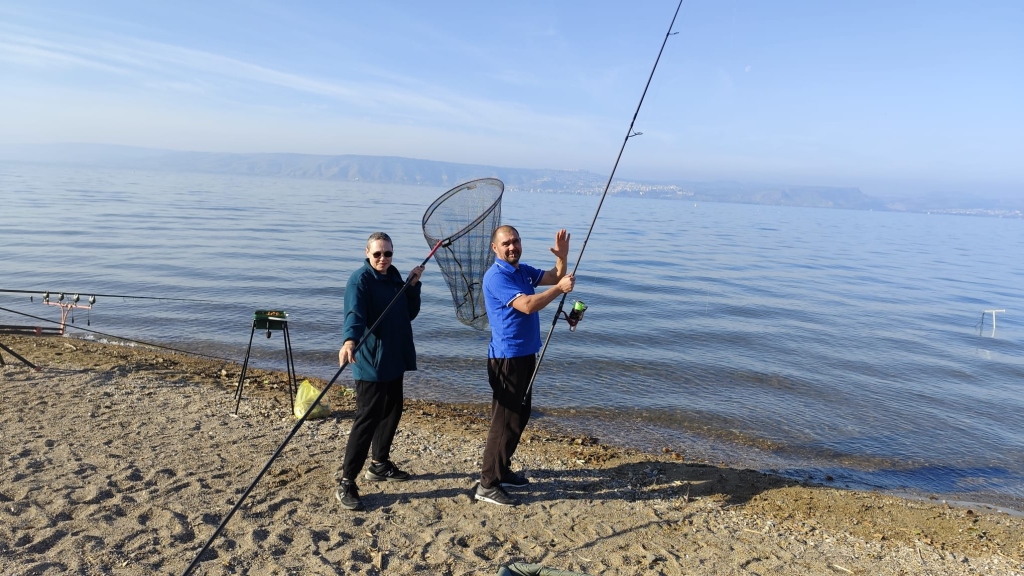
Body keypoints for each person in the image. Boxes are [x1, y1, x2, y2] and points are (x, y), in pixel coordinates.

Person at [475, 226, 575, 506]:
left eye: (515, 241)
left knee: (520, 415)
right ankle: (487, 484)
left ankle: (501, 470)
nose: (512, 247)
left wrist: (562, 257)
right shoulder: (496, 276)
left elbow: (555, 276)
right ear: (495, 248)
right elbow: (529, 305)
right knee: (504, 420)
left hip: (525, 354)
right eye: (506, 243)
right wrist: (559, 289)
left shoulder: (521, 270)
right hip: (507, 358)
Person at [335, 232, 425, 511]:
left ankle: (379, 464)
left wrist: (412, 287)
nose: (383, 259)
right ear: (367, 253)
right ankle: (347, 481)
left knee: (393, 410)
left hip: (393, 358)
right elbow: (355, 315)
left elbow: (408, 313)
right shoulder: (360, 280)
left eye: (388, 254)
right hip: (370, 361)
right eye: (377, 254)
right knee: (368, 418)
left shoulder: (394, 277)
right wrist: (349, 340)